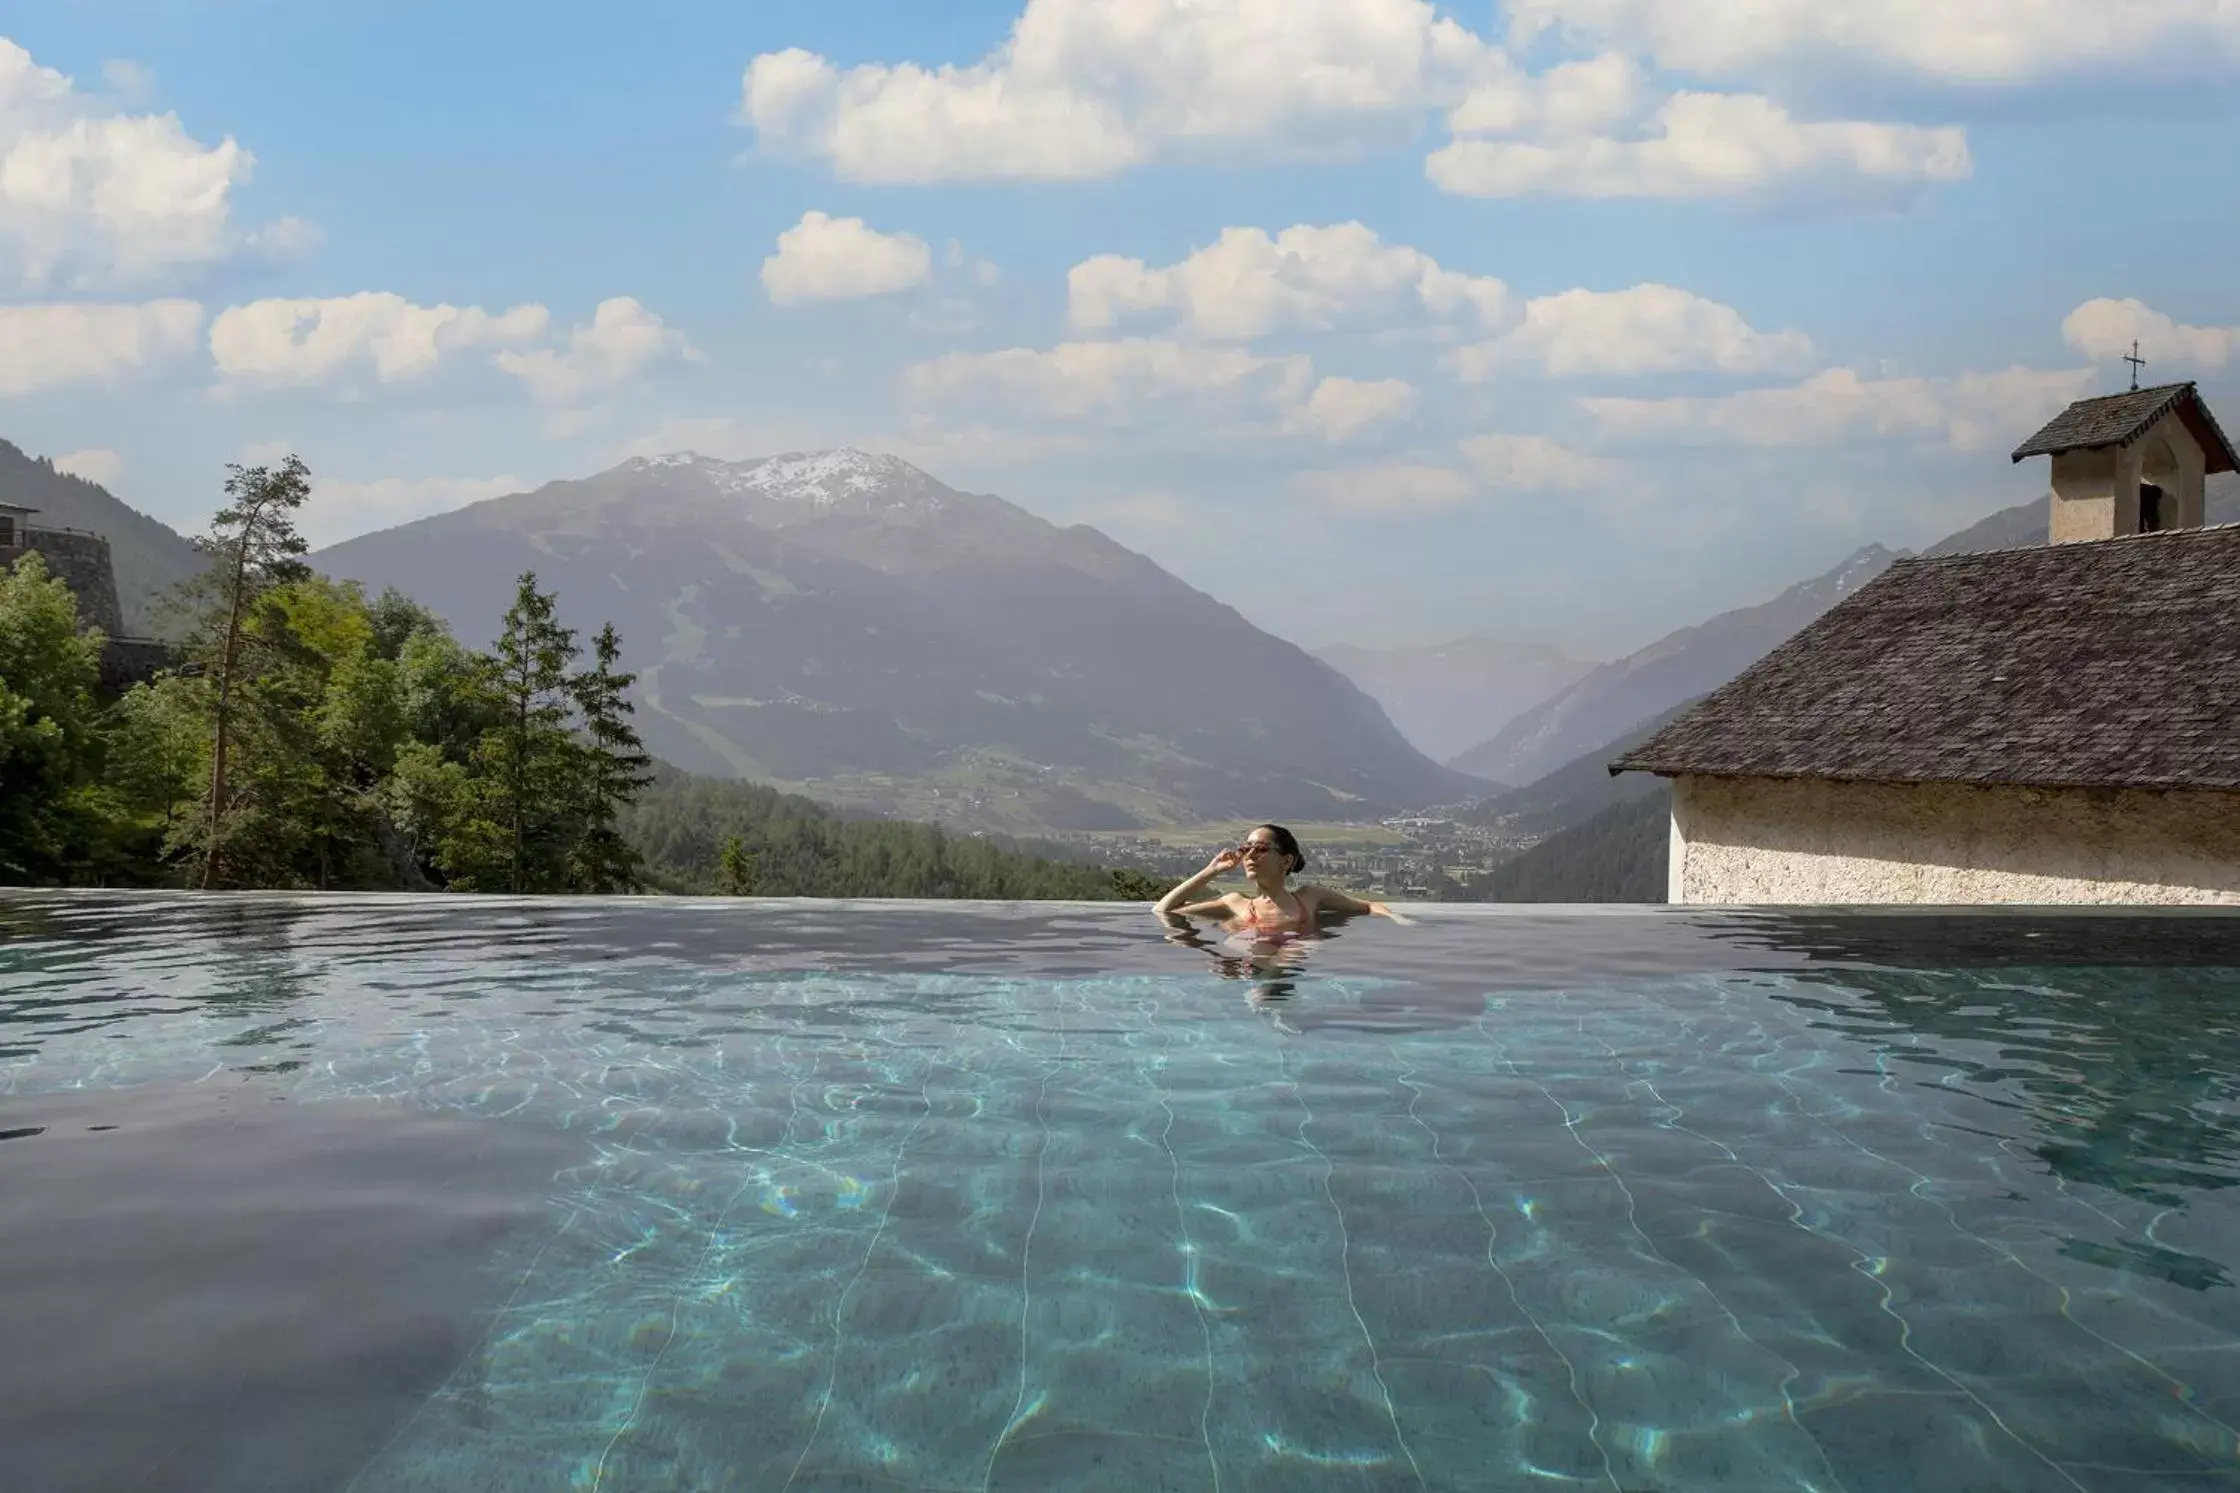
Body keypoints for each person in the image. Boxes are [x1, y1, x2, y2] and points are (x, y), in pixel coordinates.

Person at [1152, 823, 1405, 935]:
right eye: (1245, 849)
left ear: (1286, 861)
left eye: (1260, 849)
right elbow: (1163, 910)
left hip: (1291, 973)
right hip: (1248, 971)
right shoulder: (1234, 903)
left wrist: (1400, 920)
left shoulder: (1310, 896)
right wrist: (1212, 870)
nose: (1249, 855)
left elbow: (1370, 906)